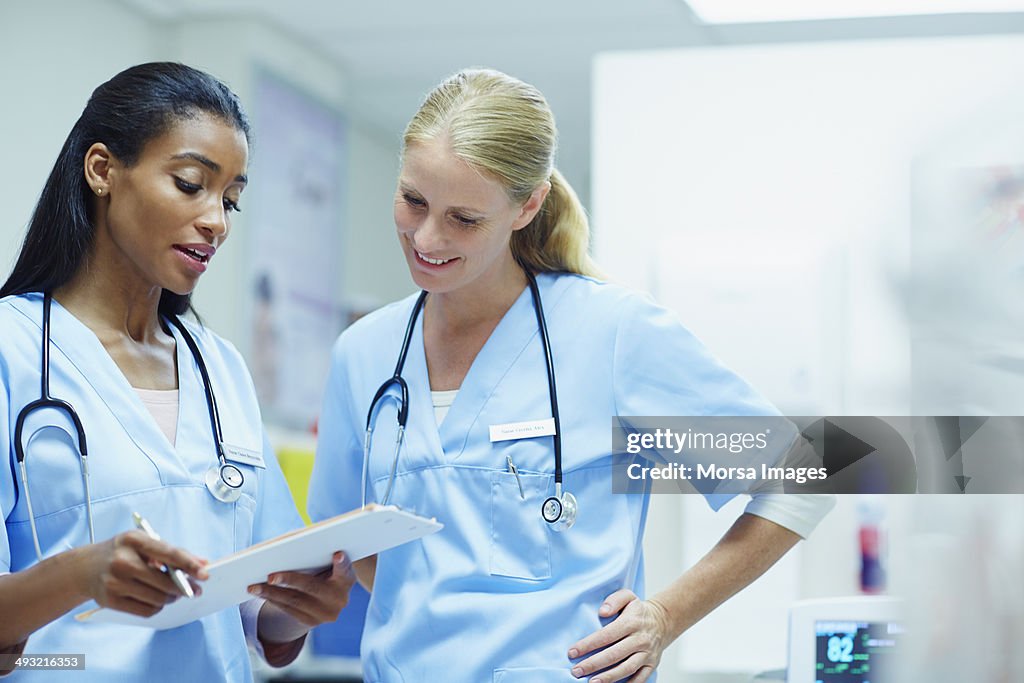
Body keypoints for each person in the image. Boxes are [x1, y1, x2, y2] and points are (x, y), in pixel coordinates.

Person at [308, 68, 834, 682]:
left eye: (465, 218)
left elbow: (802, 477)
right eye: (413, 201)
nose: (427, 237)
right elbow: (352, 545)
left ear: (527, 206)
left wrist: (665, 615)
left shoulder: (612, 333)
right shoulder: (364, 353)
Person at [0, 63, 355, 681]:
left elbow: (255, 607)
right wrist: (81, 574)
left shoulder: (218, 368)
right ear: (102, 170)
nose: (216, 219)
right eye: (191, 184)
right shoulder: (12, 348)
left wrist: (299, 609)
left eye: (231, 200)